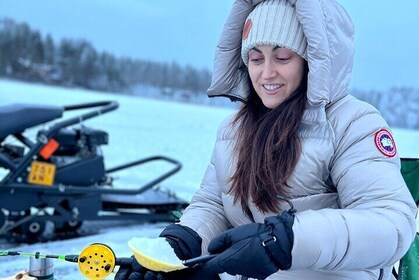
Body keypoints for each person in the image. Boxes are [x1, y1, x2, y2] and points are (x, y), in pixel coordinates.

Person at [116, 0, 417, 279]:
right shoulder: (233, 130)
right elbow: (213, 205)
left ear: (310, 59)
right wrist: (182, 243)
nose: (267, 73)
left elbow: (391, 224)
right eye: (256, 58)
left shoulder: (354, 123)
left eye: (282, 57)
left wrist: (288, 240)